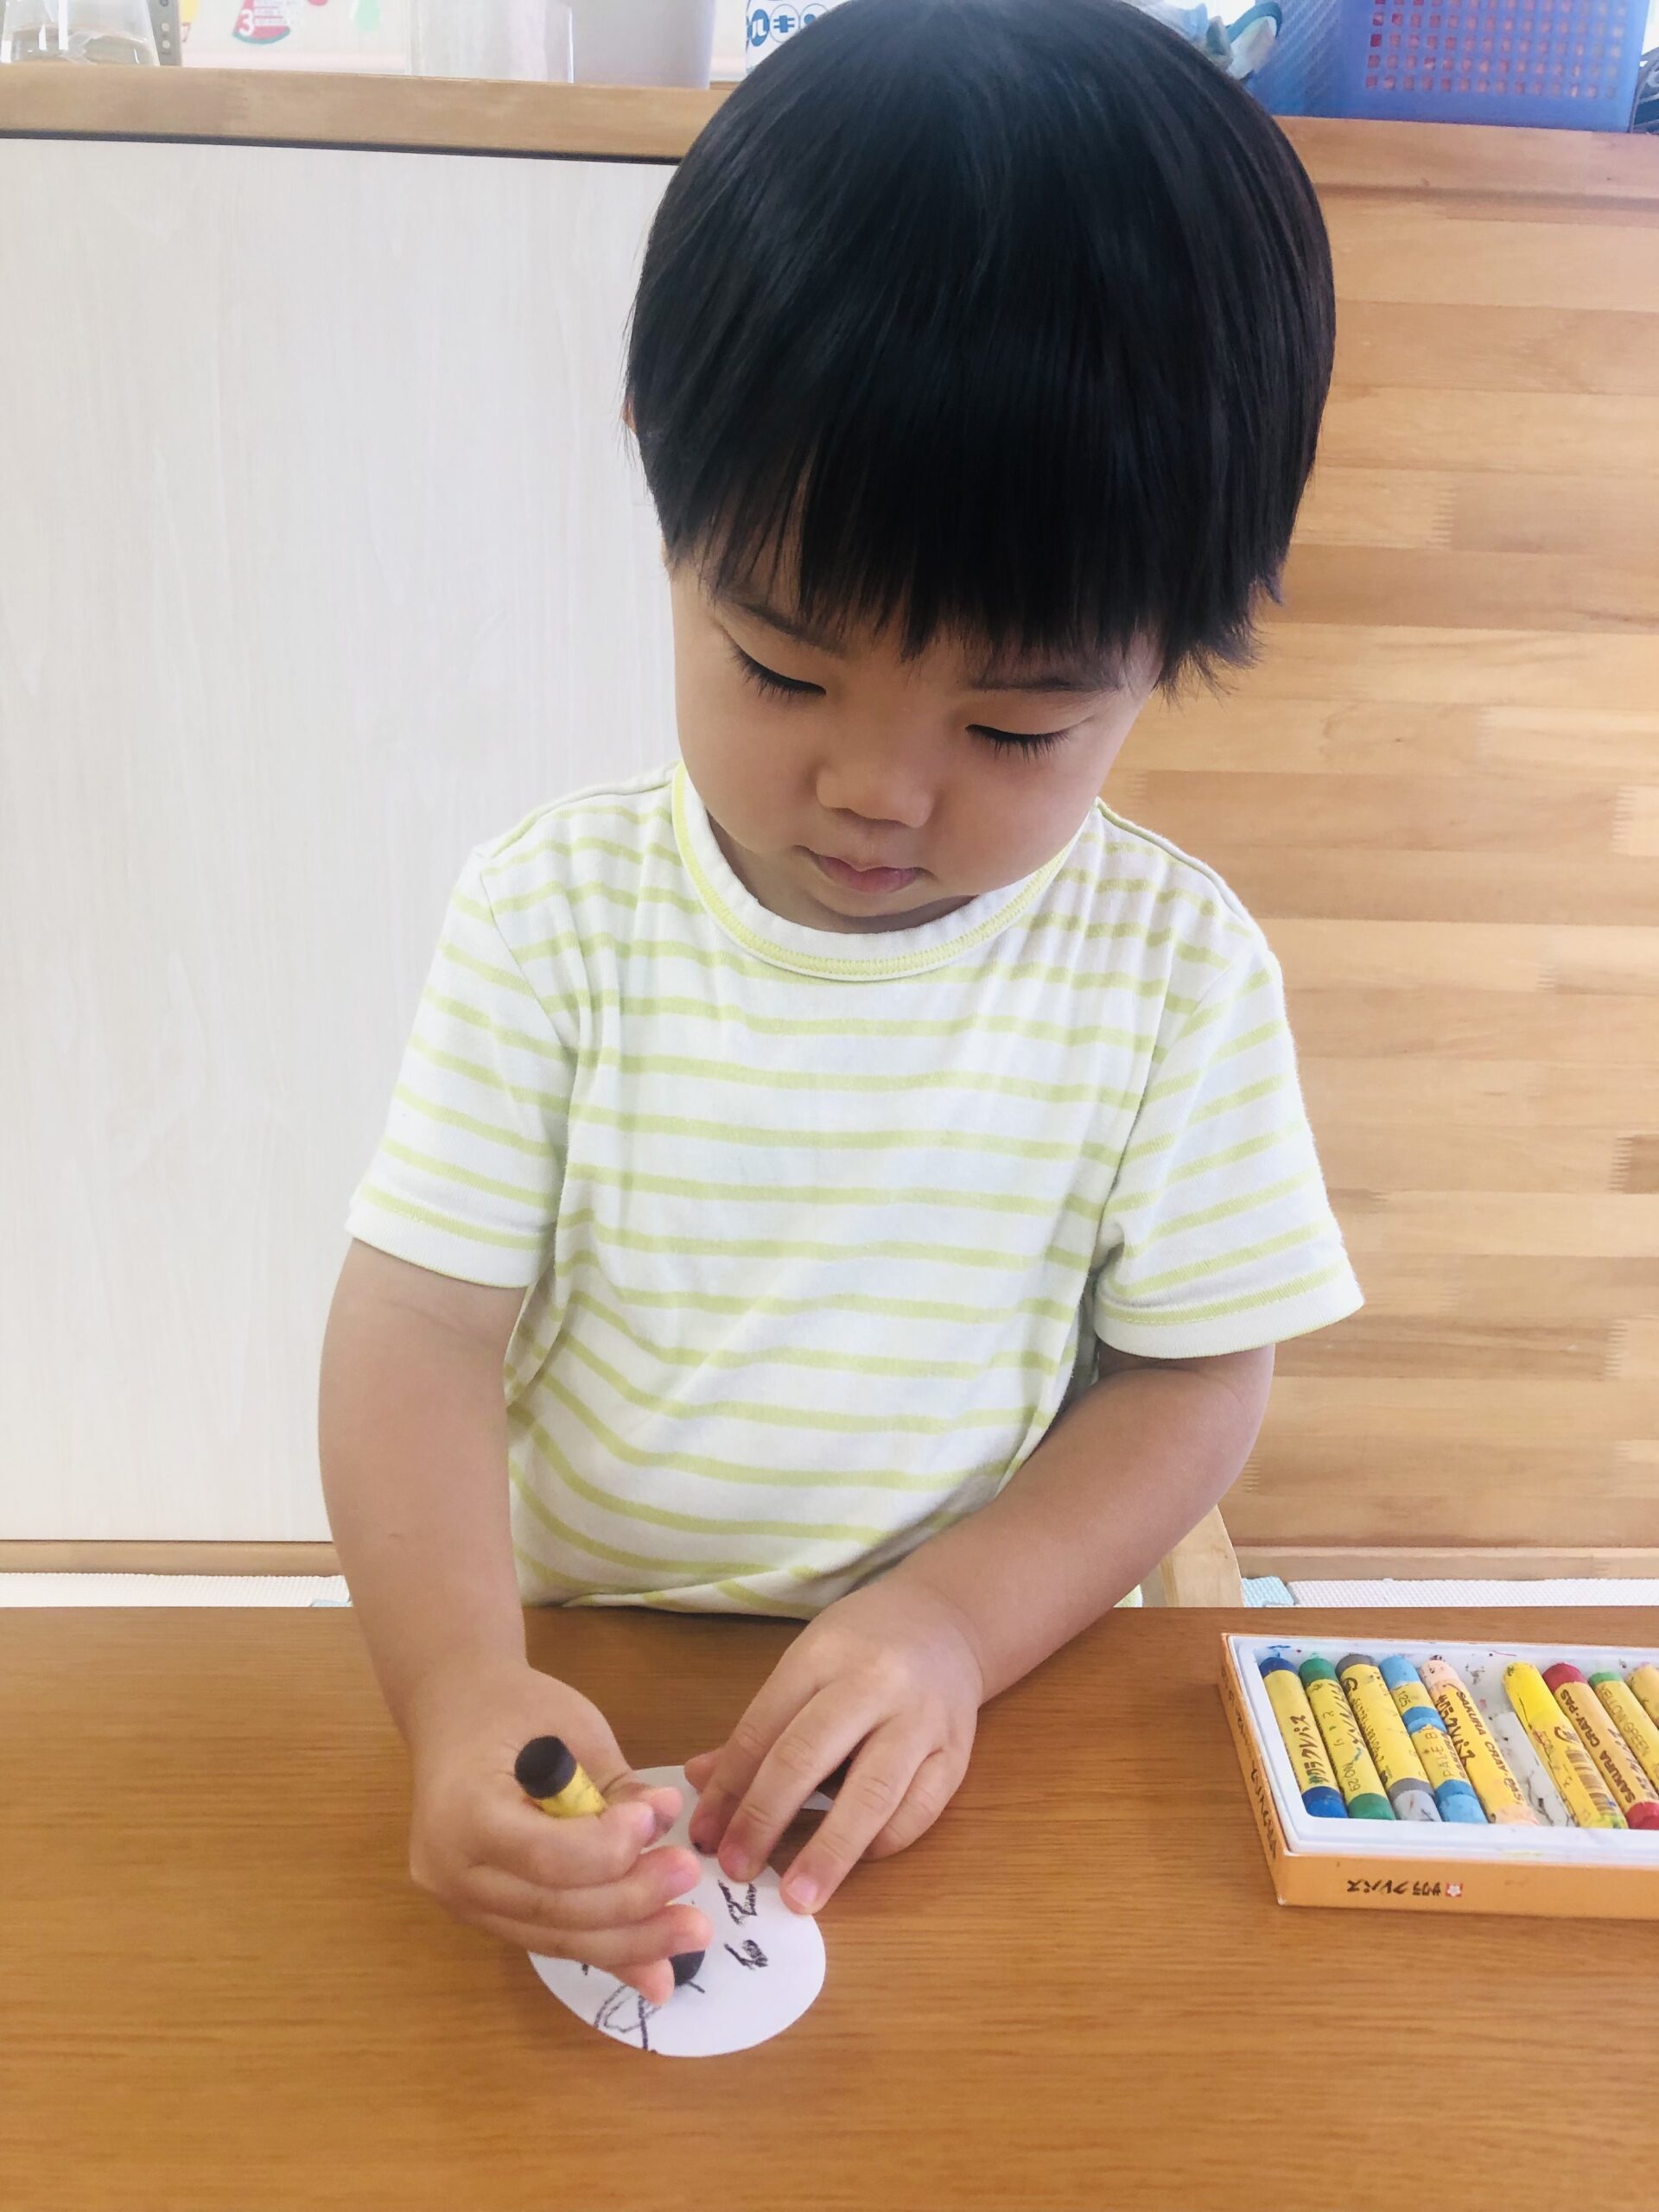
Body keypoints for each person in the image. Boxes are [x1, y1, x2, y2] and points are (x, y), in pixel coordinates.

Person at [319, 0, 1359, 2005]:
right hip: (583, 1663)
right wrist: (453, 1683)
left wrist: (958, 1620)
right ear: (664, 478)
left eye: (1016, 724)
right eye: (783, 671)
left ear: (1182, 639)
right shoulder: (556, 918)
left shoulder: (1173, 974)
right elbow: (419, 1326)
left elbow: (1192, 1379)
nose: (880, 789)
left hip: (966, 1695)